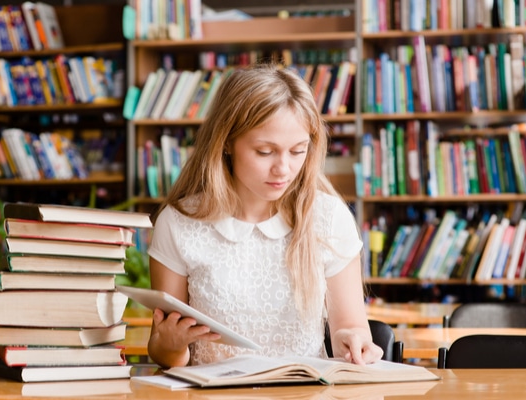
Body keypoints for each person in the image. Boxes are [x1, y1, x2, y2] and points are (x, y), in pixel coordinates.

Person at [147, 63, 383, 368]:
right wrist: (170, 345)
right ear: (227, 142)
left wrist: (352, 341)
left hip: (305, 398)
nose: (283, 169)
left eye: (298, 151)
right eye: (264, 152)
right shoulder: (179, 223)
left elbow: (351, 327)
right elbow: (164, 352)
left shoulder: (328, 217)